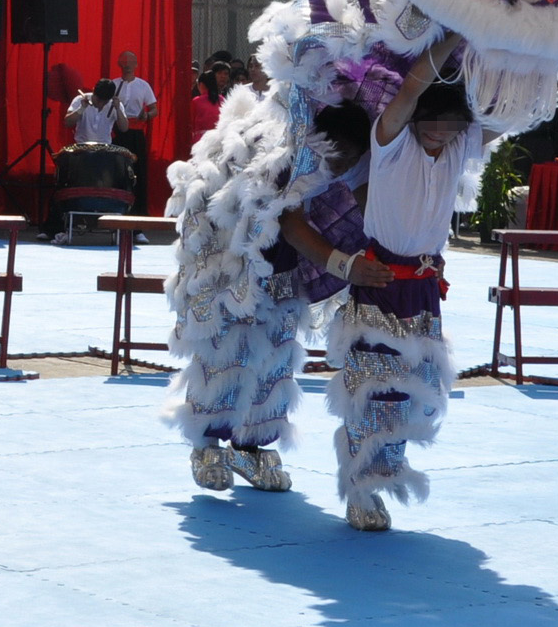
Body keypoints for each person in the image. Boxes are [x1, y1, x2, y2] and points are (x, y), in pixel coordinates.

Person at [170, 102, 382, 494]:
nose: (341, 165)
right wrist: (343, 265)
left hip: (285, 275)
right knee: (225, 354)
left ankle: (252, 446)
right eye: (337, 156)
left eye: (350, 159)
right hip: (235, 265)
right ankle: (207, 443)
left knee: (276, 362)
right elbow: (291, 224)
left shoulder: (356, 168)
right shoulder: (281, 158)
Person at [329, 32, 480, 532]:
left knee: (412, 393)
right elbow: (413, 88)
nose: (440, 133)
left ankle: (384, 476)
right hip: (379, 282)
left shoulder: (460, 145)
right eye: (432, 123)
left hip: (424, 288)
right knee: (372, 390)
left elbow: (510, 110)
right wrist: (453, 35)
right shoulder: (392, 142)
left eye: (450, 125)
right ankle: (359, 487)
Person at [110, 51, 159, 215]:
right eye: (124, 62)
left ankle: (139, 210)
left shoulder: (143, 85)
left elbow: (154, 109)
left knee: (138, 170)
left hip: (136, 132)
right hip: (117, 131)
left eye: (131, 62)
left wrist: (147, 115)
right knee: (117, 169)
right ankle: (115, 208)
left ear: (136, 64)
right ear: (119, 64)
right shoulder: (114, 84)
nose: (128, 65)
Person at [66, 77, 123, 145]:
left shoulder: (114, 104)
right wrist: (82, 108)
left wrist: (118, 109)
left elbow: (124, 128)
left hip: (105, 146)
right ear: (93, 91)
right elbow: (67, 123)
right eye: (98, 100)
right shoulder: (80, 99)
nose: (100, 104)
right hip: (82, 145)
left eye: (105, 102)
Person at [189, 68, 224, 148]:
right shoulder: (222, 99)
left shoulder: (196, 101)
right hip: (218, 140)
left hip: (200, 140)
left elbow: (191, 123)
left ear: (201, 84)